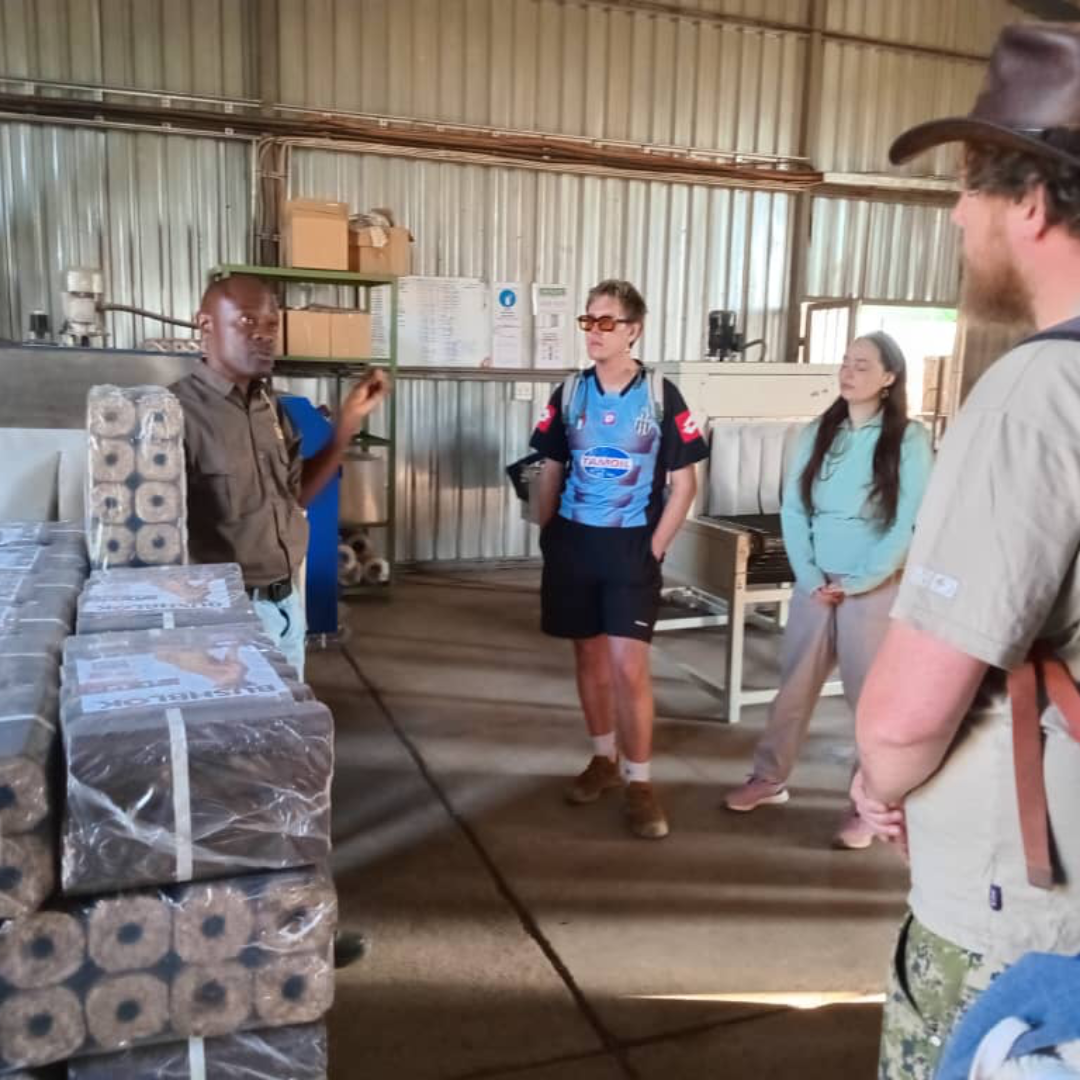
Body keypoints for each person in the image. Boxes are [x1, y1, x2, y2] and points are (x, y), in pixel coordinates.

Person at [849, 23, 1080, 1079]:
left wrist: (881, 776)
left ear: (1031, 203)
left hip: (1023, 925)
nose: (954, 214)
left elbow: (903, 717)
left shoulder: (1040, 393)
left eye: (970, 188)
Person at [723, 333, 933, 849]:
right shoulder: (820, 431)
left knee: (870, 703)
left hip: (875, 588)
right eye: (845, 363)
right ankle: (769, 779)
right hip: (816, 585)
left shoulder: (907, 439)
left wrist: (861, 580)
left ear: (889, 379)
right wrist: (811, 574)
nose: (848, 372)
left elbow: (910, 522)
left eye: (862, 365)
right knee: (794, 688)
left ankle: (870, 804)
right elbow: (793, 508)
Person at [529, 279, 708, 840]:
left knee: (629, 668)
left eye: (608, 322)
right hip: (575, 545)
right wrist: (548, 532)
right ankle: (603, 760)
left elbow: (685, 485)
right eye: (589, 321)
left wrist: (654, 548)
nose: (595, 332)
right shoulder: (568, 394)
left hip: (631, 546)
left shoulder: (661, 395)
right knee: (588, 659)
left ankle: (640, 782)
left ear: (634, 330)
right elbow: (550, 467)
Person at [173, 274, 390, 678]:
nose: (264, 335)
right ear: (205, 325)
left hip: (287, 606)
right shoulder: (175, 414)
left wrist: (346, 424)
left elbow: (296, 499)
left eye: (271, 324)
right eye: (246, 322)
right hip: (226, 620)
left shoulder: (270, 408)